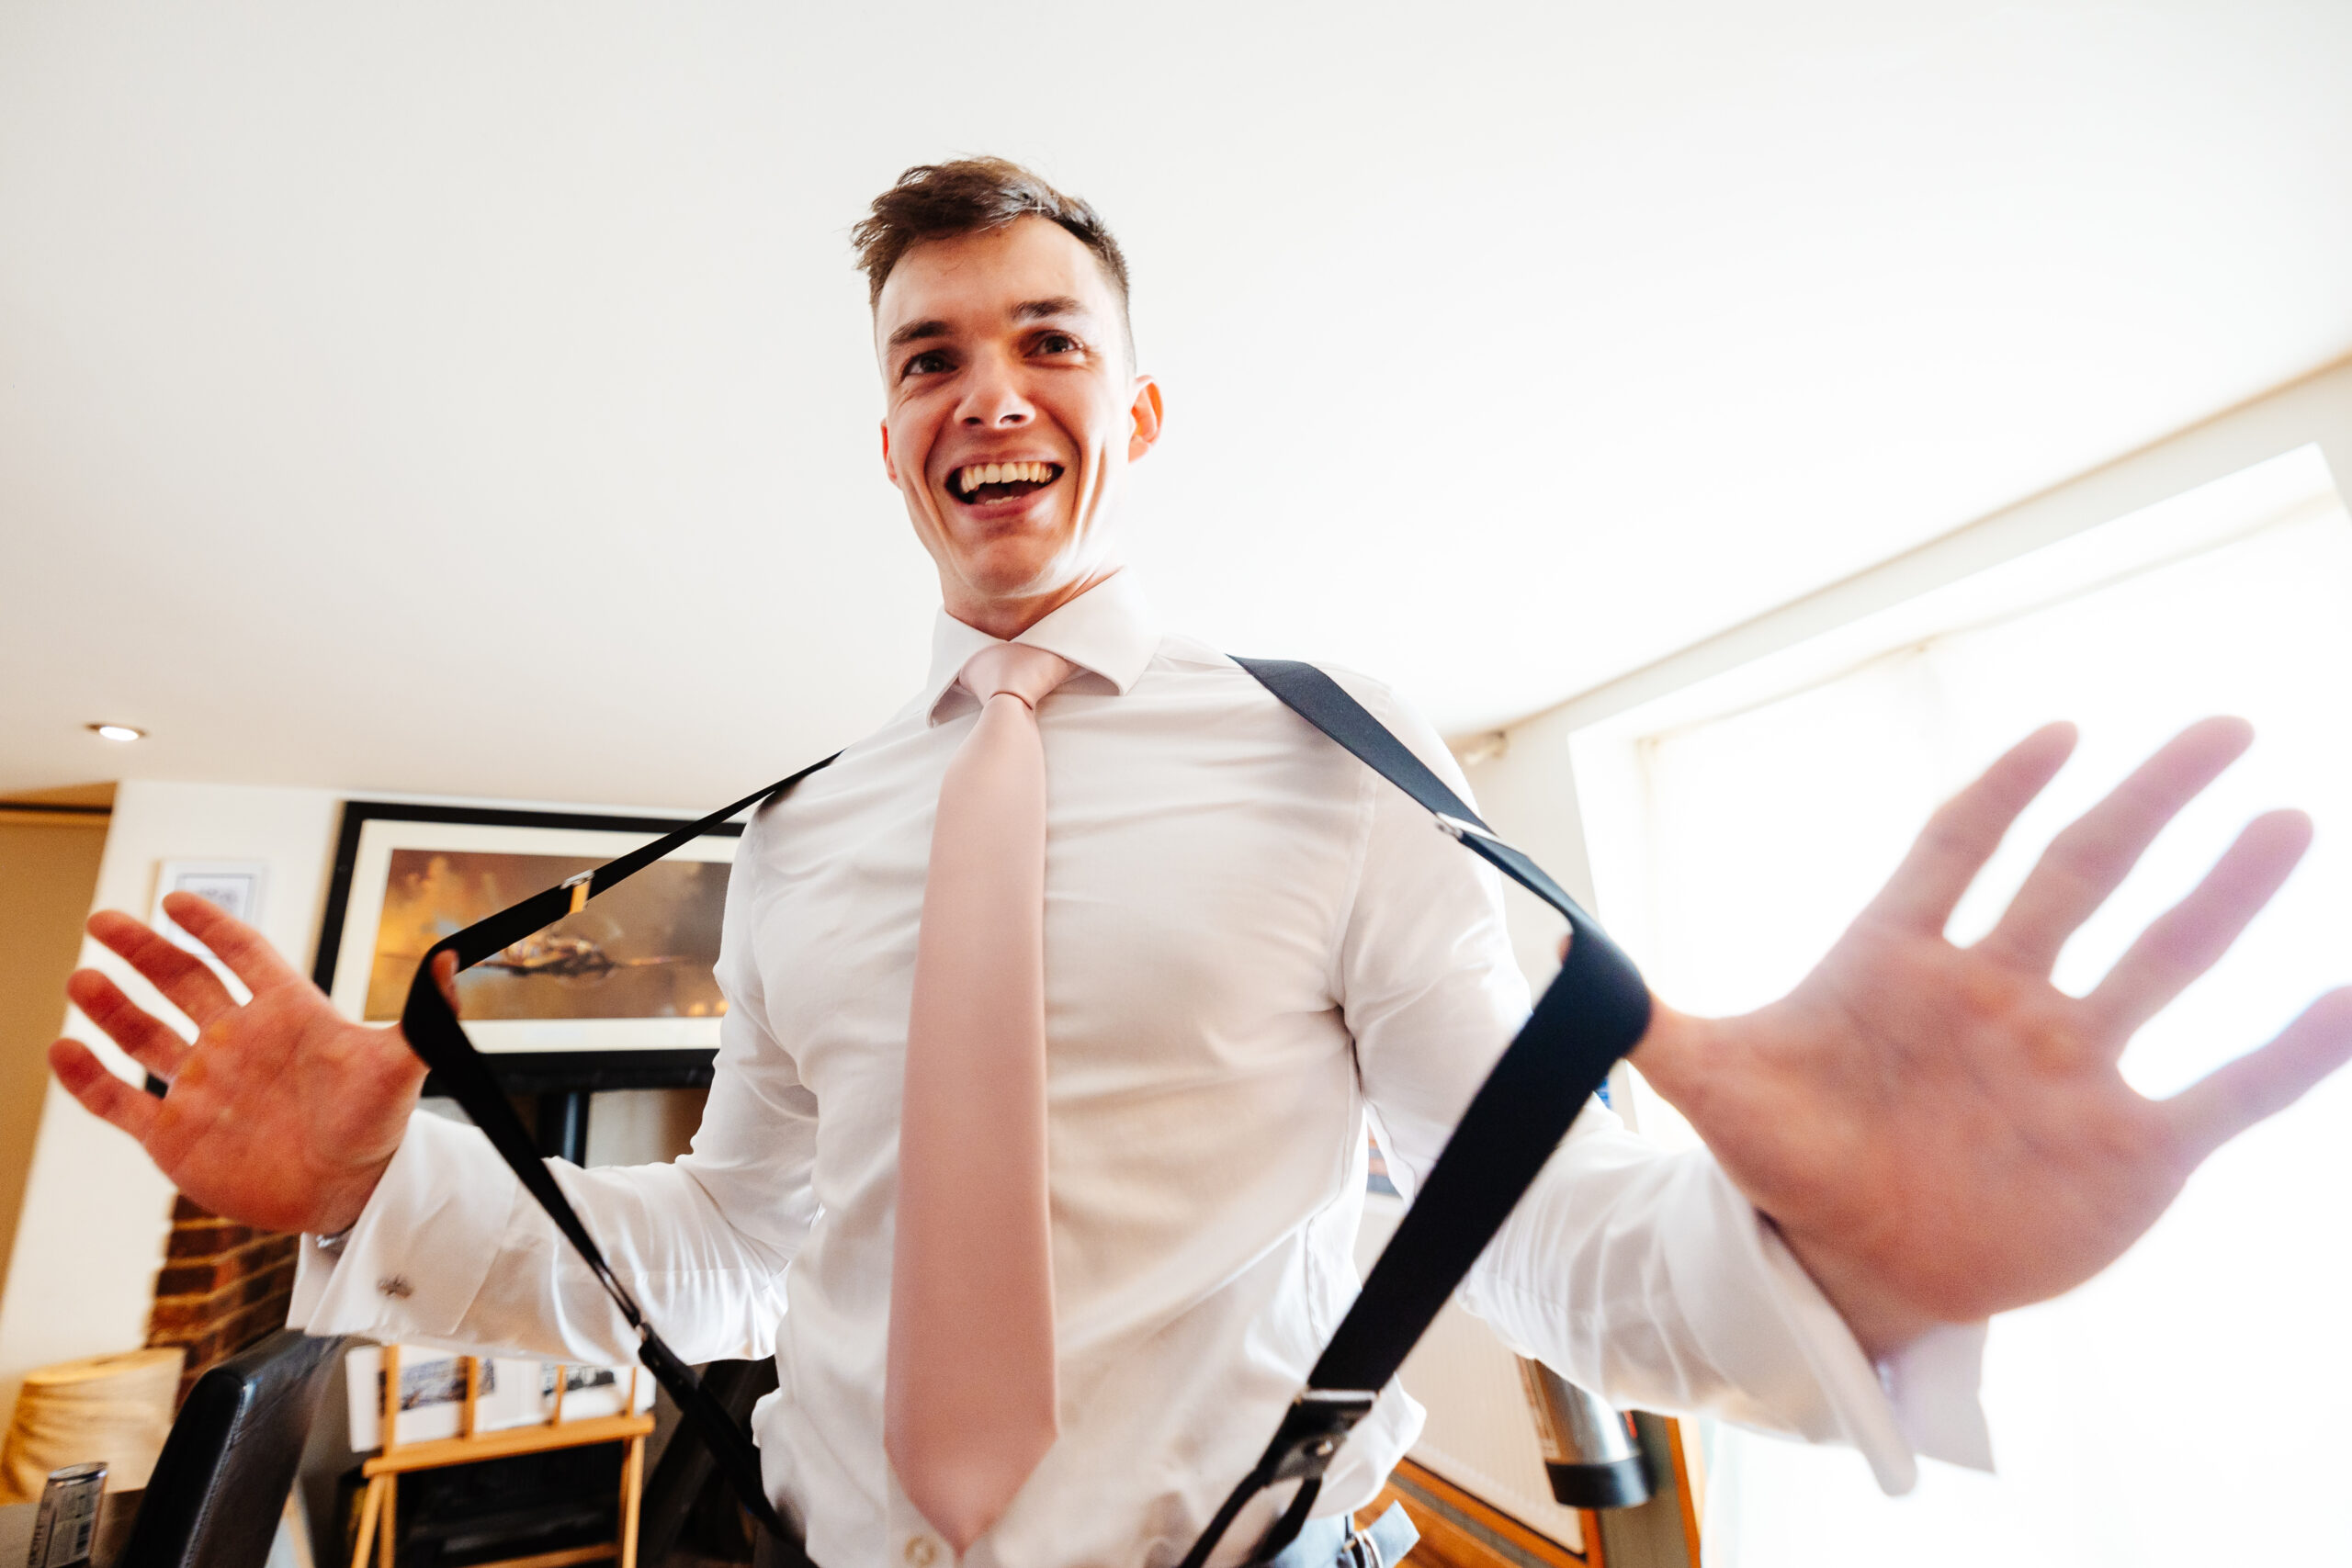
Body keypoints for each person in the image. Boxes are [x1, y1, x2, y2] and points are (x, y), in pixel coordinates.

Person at [49, 159, 2351, 1568]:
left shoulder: (1336, 763)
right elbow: (749, 1247)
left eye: (1048, 338)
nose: (989, 389)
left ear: (1127, 411)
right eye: (929, 355)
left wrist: (1828, 1263)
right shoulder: (812, 839)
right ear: (886, 438)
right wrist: (387, 1176)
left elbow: (1541, 1233)